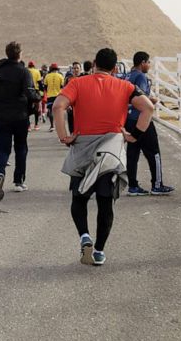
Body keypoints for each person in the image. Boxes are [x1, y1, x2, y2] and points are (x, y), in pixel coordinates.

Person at [53, 48, 154, 266]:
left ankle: (84, 236)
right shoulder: (126, 86)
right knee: (105, 203)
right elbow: (148, 107)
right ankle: (99, 251)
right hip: (111, 150)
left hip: (83, 148)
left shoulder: (78, 83)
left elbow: (58, 106)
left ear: (95, 63)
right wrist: (134, 135)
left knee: (78, 199)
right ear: (116, 68)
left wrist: (65, 136)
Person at [0, 42, 39, 198]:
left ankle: (0, 171)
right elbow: (30, 93)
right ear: (20, 54)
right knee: (21, 147)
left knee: (3, 148)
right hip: (19, 116)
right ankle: (18, 181)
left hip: (0, 114)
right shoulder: (23, 71)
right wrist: (38, 97)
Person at [124, 51, 174, 197]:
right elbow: (142, 97)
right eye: (149, 63)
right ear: (143, 62)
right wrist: (152, 100)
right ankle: (157, 185)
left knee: (132, 153)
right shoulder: (141, 76)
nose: (150, 66)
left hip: (129, 119)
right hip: (142, 118)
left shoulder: (128, 76)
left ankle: (132, 186)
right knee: (154, 153)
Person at [43, 63, 65, 132]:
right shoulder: (60, 76)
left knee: (50, 111)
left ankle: (52, 126)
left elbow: (45, 87)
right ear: (57, 69)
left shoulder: (47, 76)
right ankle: (60, 126)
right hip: (58, 96)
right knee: (59, 111)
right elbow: (62, 86)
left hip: (50, 96)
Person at [27, 61, 43, 131]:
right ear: (34, 66)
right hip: (35, 91)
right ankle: (36, 125)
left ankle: (28, 126)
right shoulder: (37, 71)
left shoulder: (26, 71)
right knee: (36, 109)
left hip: (27, 91)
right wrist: (41, 92)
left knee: (26, 108)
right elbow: (39, 83)